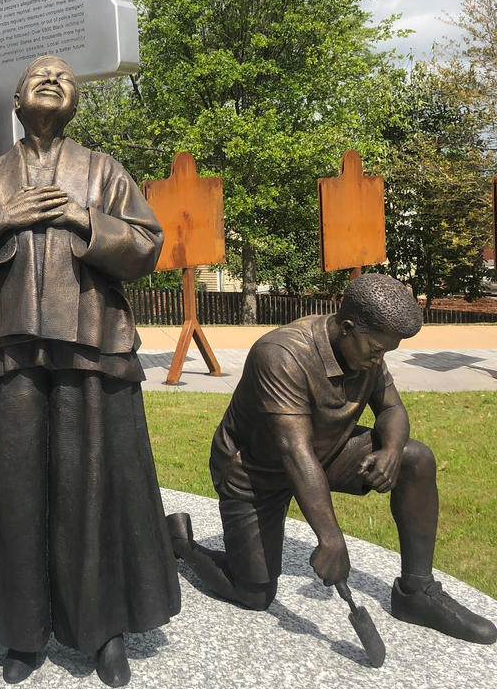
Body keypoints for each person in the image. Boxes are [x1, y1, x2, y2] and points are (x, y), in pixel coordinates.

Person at [0, 56, 181, 687]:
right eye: (38, 74)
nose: (52, 78)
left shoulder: (103, 172)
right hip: (10, 352)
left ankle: (103, 629)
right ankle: (22, 630)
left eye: (64, 76)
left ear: (76, 102)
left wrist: (83, 218)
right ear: (16, 101)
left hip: (91, 348)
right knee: (14, 491)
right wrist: (1, 222)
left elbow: (147, 247)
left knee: (94, 485)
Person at [167, 273, 496, 645]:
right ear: (347, 328)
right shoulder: (281, 354)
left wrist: (389, 452)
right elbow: (295, 451)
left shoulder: (367, 350)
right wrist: (330, 539)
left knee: (414, 458)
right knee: (254, 594)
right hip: (255, 471)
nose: (380, 358)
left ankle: (416, 592)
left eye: (387, 351)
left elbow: (391, 408)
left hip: (325, 450)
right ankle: (182, 543)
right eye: (377, 348)